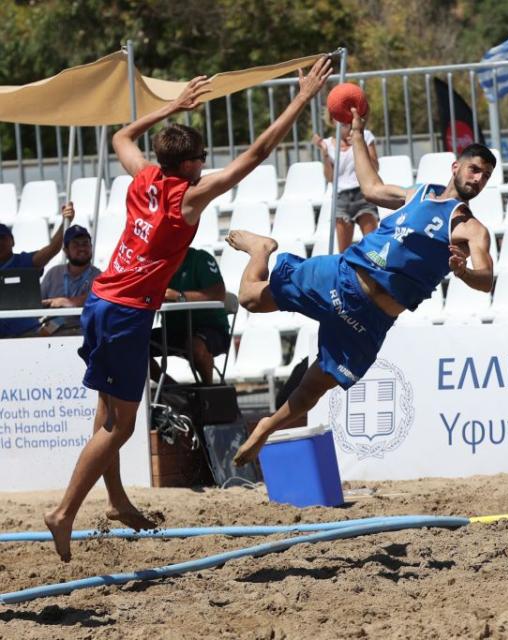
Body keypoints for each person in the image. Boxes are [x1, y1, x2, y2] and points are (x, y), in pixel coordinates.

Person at [43, 55, 335, 563]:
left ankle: (116, 501)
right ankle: (64, 511)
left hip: (101, 303)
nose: (207, 161)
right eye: (202, 155)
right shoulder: (188, 198)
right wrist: (302, 97)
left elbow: (120, 138)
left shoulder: (144, 177)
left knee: (105, 413)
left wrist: (170, 106)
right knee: (121, 427)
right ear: (193, 162)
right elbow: (257, 154)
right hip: (127, 312)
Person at [227, 107, 496, 467]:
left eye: (485, 176)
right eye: (474, 169)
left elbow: (487, 279)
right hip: (342, 276)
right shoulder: (417, 195)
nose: (478, 179)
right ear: (456, 167)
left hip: (370, 320)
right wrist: (356, 135)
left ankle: (265, 429)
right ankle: (261, 248)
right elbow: (370, 187)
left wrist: (463, 272)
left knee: (315, 387)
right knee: (248, 298)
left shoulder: (471, 229)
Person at [149, 247, 230, 385]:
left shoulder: (200, 258)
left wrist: (180, 296)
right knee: (133, 345)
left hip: (212, 329)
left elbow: (219, 294)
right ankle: (175, 393)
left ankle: (208, 394)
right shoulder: (155, 265)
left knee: (196, 346)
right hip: (173, 331)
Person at [0, 203, 75, 338]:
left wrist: (65, 222)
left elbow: (53, 248)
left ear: (12, 241)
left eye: (2, 238)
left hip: (27, 333)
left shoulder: (24, 261)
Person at [312, 117, 380, 253]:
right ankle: (349, 274)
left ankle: (374, 274)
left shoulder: (364, 136)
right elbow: (330, 178)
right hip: (342, 199)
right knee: (344, 252)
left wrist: (358, 144)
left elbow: (375, 167)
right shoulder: (327, 144)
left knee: (373, 249)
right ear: (332, 121)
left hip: (363, 195)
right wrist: (325, 154)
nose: (344, 122)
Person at [37, 223, 101, 336]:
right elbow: (37, 302)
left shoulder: (100, 276)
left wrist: (66, 302)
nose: (82, 248)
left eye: (85, 244)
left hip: (84, 332)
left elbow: (96, 301)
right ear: (66, 250)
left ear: (91, 247)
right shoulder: (53, 273)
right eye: (76, 245)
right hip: (53, 331)